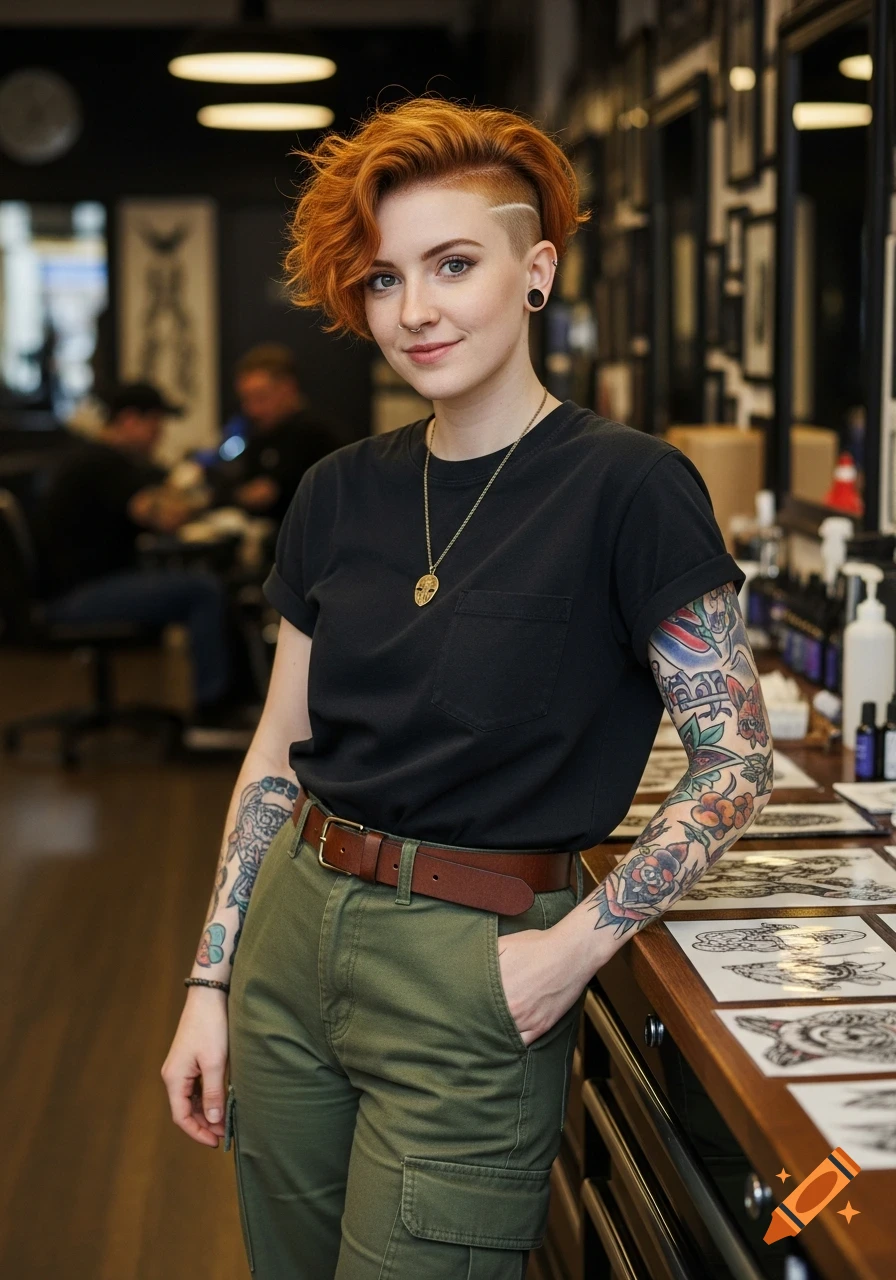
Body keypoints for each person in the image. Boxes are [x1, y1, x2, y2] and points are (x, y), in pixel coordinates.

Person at [161, 97, 773, 1278]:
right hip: (293, 938)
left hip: (478, 957)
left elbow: (733, 761)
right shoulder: (338, 490)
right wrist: (211, 976)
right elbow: (279, 748)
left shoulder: (628, 487)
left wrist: (573, 946)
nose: (416, 310)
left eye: (452, 264)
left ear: (534, 268)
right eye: (386, 280)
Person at [36, 381, 236, 725]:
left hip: (76, 586)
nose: (160, 434)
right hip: (77, 595)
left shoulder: (95, 460)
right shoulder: (105, 465)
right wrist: (200, 493)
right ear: (130, 420)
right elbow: (166, 516)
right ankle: (212, 713)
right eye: (156, 423)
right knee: (204, 590)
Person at [206, 344, 340, 525]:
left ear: (288, 388)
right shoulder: (255, 435)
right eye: (246, 399)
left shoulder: (317, 436)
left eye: (260, 397)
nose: (251, 409)